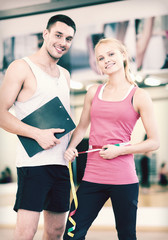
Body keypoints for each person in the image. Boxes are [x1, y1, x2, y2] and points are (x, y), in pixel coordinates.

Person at [63, 38, 160, 240]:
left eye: (111, 54)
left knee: (126, 236)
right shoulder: (93, 92)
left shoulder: (139, 95)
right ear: (97, 64)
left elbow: (154, 141)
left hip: (123, 178)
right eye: (101, 58)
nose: (106, 60)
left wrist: (120, 150)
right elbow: (81, 128)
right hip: (92, 176)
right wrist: (71, 148)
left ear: (123, 55)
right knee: (72, 234)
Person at [0, 14, 76, 240]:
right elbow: (1, 114)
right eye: (58, 35)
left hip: (62, 164)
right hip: (33, 165)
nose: (63, 42)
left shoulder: (65, 75)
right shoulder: (21, 67)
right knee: (26, 232)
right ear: (46, 34)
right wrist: (37, 134)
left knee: (56, 232)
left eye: (69, 39)